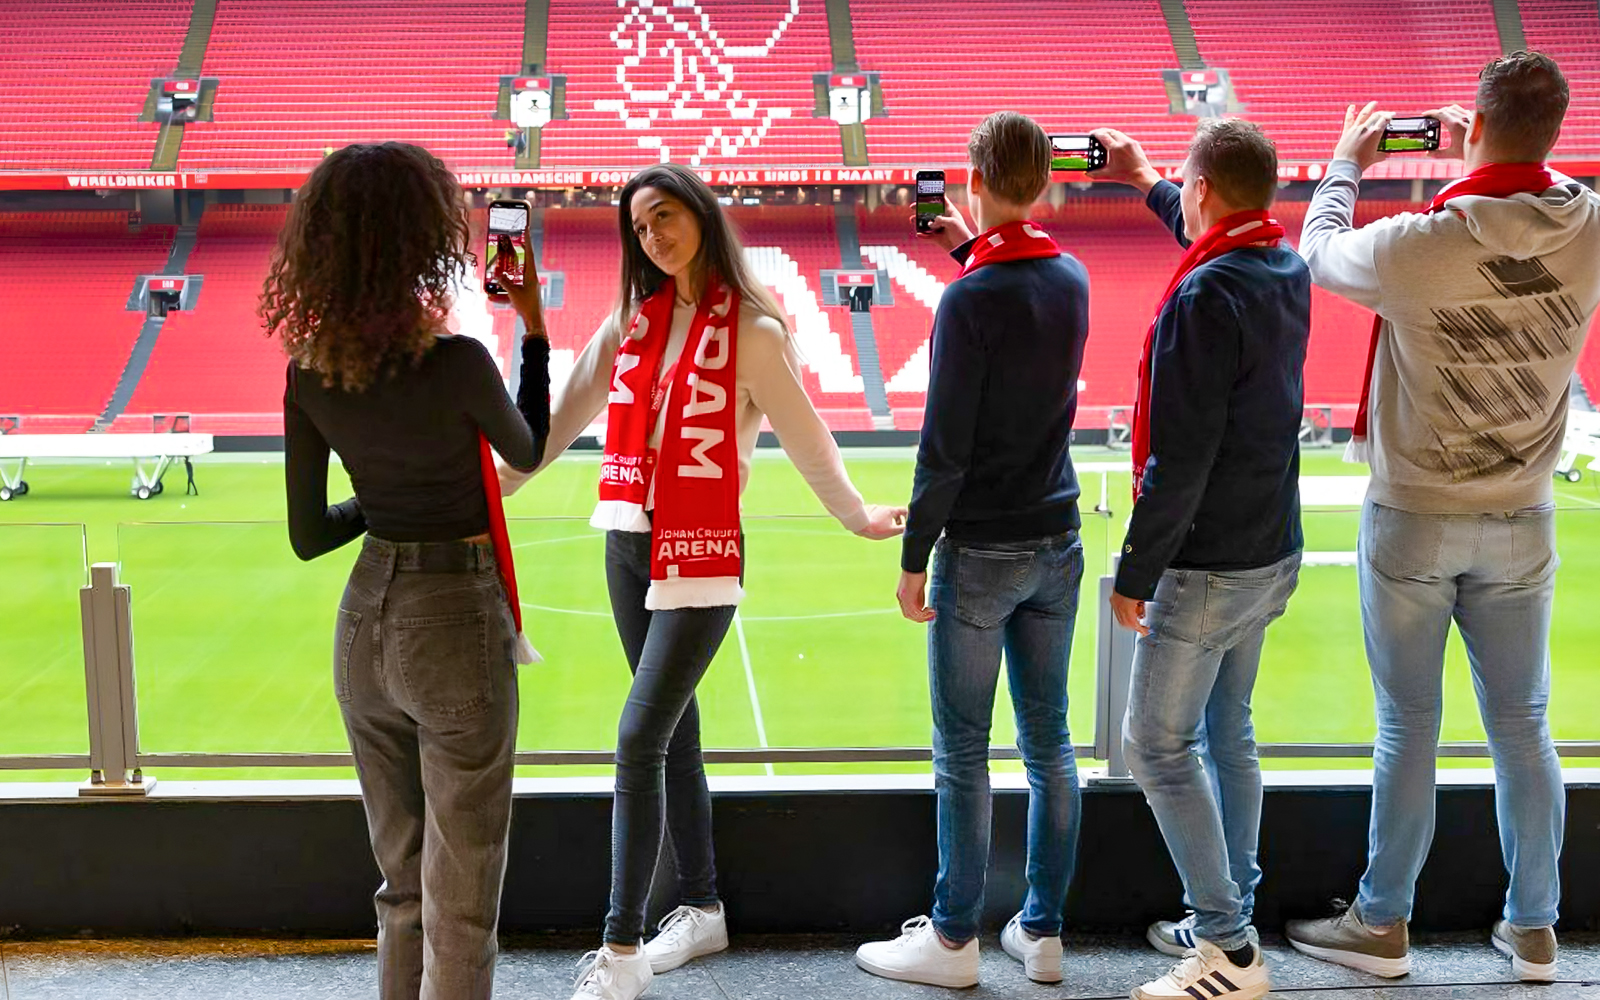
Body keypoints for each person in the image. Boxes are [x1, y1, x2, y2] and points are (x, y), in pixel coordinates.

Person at [498, 163, 906, 1000]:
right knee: (673, 734)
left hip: (703, 554)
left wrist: (857, 515)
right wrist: (481, 486)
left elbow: (806, 436)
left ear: (701, 216)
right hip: (626, 544)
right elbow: (552, 429)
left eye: (666, 216)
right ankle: (702, 908)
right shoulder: (629, 323)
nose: (654, 236)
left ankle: (618, 951)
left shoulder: (755, 330)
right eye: (640, 227)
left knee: (638, 738)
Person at [1287, 52, 1598, 984]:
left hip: (1415, 515)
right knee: (1523, 726)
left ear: (1474, 121)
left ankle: (1383, 924)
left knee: (1407, 726)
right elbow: (1537, 197)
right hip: (1524, 518)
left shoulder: (1418, 243)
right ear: (1557, 128)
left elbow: (1315, 251)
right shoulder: (1588, 225)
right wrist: (1489, 160)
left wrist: (1347, 160)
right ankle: (1535, 929)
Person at [264, 142, 551, 1000]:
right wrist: (534, 330)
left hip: (363, 627)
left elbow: (311, 535)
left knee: (402, 881)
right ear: (422, 236)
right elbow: (527, 448)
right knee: (461, 894)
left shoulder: (308, 372)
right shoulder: (458, 360)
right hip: (454, 616)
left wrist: (378, 506)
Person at [854, 110, 1090, 989]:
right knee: (1050, 742)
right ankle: (1045, 934)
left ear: (974, 179)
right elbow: (1018, 320)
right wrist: (969, 245)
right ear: (1046, 181)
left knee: (962, 748)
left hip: (982, 551)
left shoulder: (970, 300)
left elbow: (943, 447)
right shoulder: (1070, 278)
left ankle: (953, 939)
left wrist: (914, 555)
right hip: (1057, 540)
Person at [1092, 120, 1309, 1000]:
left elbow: (1179, 459)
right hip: (1270, 550)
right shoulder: (1279, 264)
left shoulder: (1202, 299)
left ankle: (1228, 949)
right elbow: (1212, 241)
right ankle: (1228, 911)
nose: (1179, 196)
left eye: (1183, 183)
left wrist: (1137, 569)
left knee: (1156, 745)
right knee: (1230, 731)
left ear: (1207, 192)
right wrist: (1145, 175)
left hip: (1210, 562)